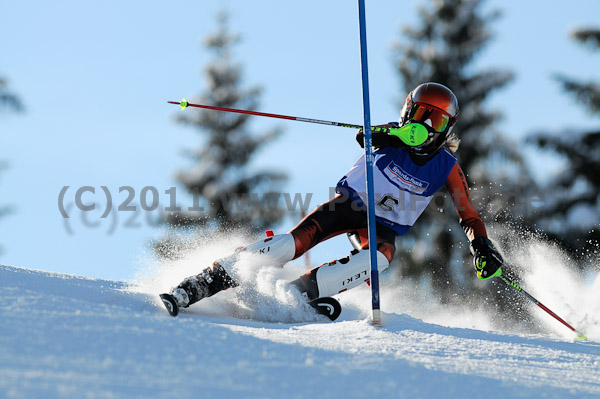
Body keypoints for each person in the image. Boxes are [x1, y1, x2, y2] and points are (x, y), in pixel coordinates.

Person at [168, 82, 504, 312]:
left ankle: (297, 294)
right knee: (292, 243)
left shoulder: (446, 167)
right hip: (350, 205)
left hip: (382, 224)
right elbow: (364, 136)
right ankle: (209, 279)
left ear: (448, 127)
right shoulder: (393, 135)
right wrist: (390, 135)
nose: (425, 126)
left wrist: (482, 246)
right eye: (420, 115)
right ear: (407, 113)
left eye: (436, 120)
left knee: (380, 258)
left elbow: (469, 214)